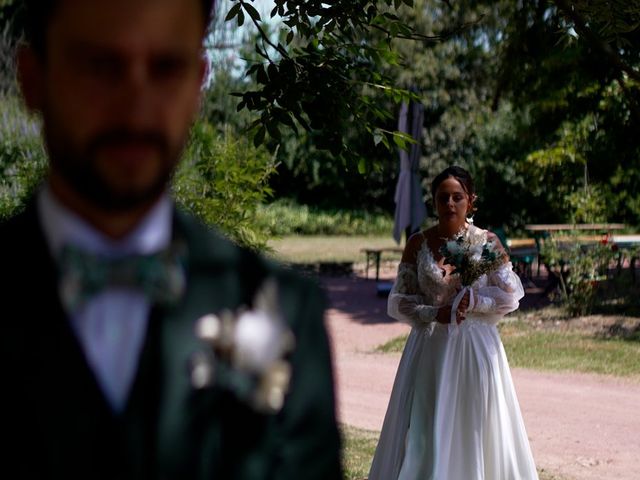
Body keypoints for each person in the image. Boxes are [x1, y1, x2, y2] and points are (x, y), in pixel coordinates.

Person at [0, 0, 342, 478]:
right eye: (101, 65)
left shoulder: (285, 311)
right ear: (32, 77)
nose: (136, 103)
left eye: (166, 67)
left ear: (198, 83)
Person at [368, 166, 538, 480]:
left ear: (470, 202)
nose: (449, 204)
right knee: (426, 424)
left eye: (457, 197)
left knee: (475, 423)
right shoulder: (419, 243)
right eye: (442, 197)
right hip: (429, 349)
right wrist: (435, 314)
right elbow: (397, 302)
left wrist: (473, 301)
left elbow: (511, 295)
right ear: (433, 202)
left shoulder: (485, 242)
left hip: (475, 348)